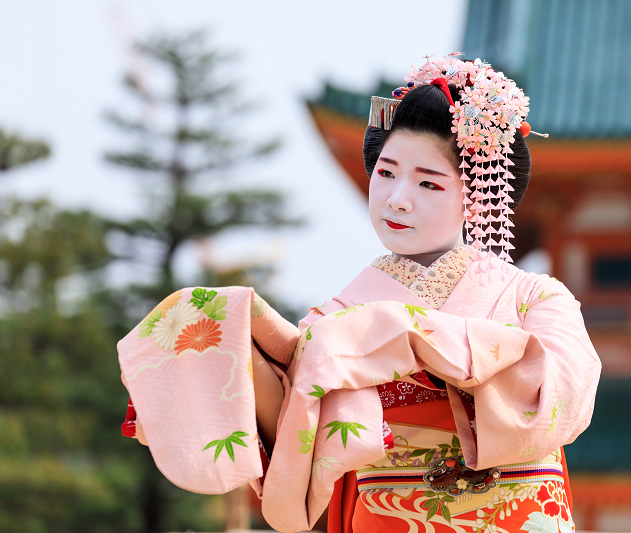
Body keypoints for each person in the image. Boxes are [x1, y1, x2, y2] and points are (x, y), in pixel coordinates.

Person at [120, 54, 601, 533]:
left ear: (475, 195)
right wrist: (231, 344)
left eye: (428, 182)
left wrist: (409, 336)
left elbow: (565, 398)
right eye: (386, 173)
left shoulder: (537, 298)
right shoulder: (335, 319)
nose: (397, 198)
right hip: (389, 518)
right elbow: (290, 433)